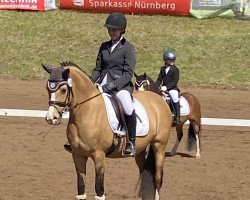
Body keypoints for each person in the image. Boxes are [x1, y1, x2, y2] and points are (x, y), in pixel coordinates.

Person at [91, 12, 137, 157]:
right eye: (109, 30)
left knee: (128, 108)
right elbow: (98, 68)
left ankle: (131, 142)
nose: (111, 32)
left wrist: (113, 86)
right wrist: (89, 81)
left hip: (120, 86)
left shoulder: (128, 48)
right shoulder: (104, 46)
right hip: (101, 82)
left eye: (114, 30)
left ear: (122, 30)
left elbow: (128, 73)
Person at [155, 51, 180, 125]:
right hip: (163, 88)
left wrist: (166, 87)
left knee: (174, 97)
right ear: (165, 60)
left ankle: (177, 117)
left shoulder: (175, 70)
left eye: (173, 60)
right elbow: (159, 79)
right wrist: (156, 86)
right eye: (170, 60)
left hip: (172, 88)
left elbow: (174, 82)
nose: (172, 61)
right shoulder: (162, 69)